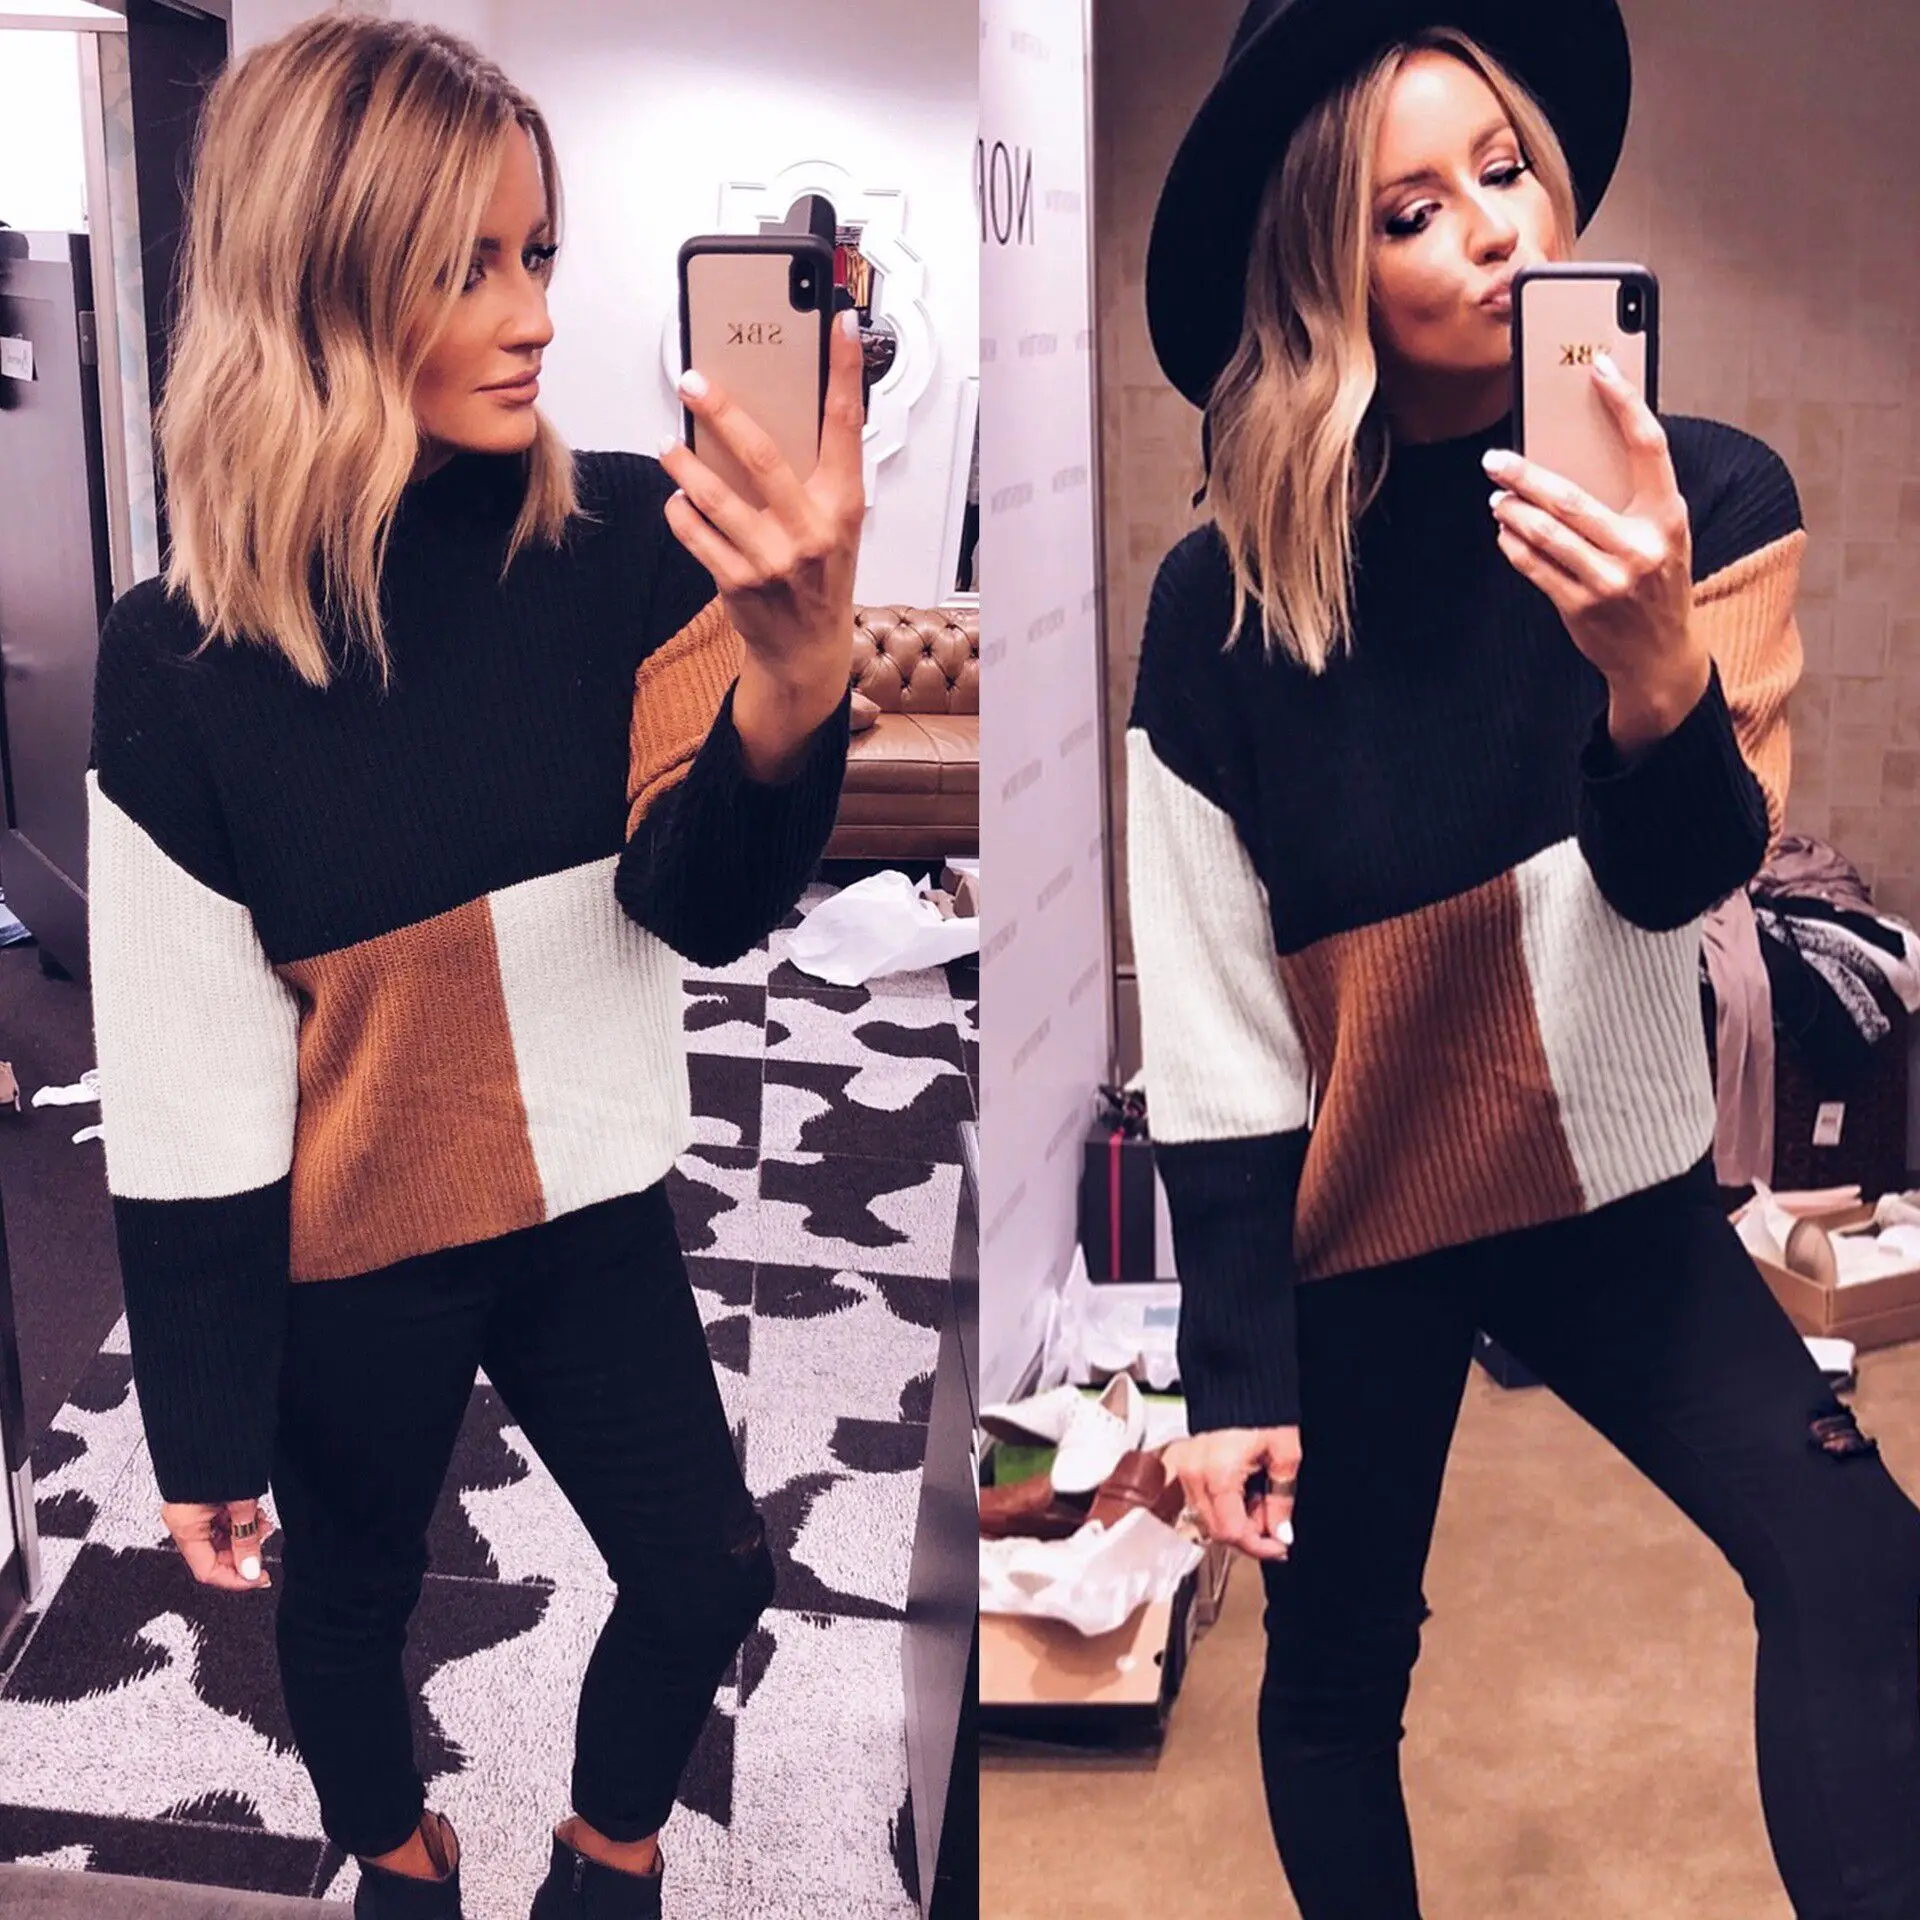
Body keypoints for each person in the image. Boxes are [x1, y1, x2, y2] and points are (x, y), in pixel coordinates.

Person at [1125, 1, 1920, 1913]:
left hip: (1614, 1193)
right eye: (1410, 210)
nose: (1492, 231)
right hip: (1361, 1224)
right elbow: (1218, 1021)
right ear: (1325, 265)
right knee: (1335, 1682)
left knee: (1862, 1565)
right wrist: (1231, 1369)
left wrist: (1653, 675)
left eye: (1504, 170)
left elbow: (1678, 889)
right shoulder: (1223, 596)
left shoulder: (1709, 503)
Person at [85, 16, 863, 1919]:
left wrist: (796, 681)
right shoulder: (182, 654)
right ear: (321, 284)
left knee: (705, 1572)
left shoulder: (631, 545)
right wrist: (200, 1409)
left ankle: (606, 1860)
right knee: (348, 1604)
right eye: (466, 265)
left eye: (539, 254)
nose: (533, 314)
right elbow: (184, 1077)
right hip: (352, 1228)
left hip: (584, 1188)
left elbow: (703, 902)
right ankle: (401, 1860)